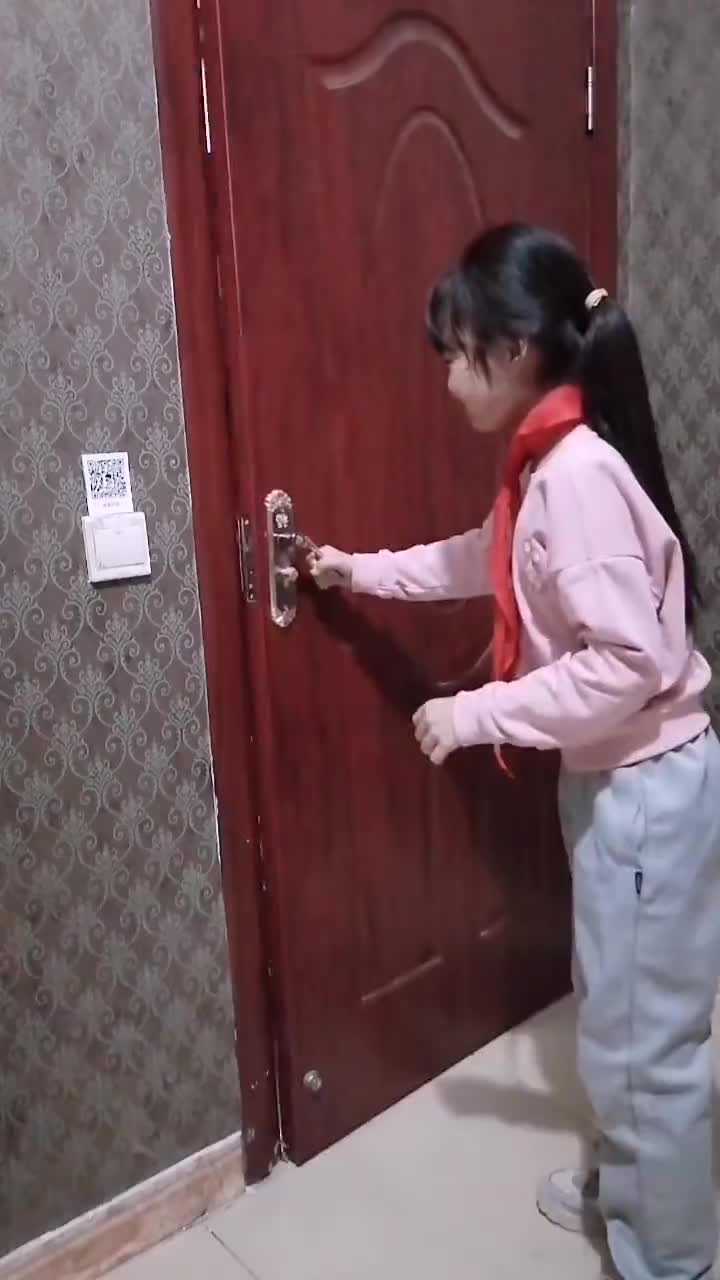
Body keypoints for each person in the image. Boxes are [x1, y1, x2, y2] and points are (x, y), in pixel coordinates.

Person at [307, 224, 720, 1280]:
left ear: (519, 348)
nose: (449, 379)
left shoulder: (574, 475)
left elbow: (630, 661)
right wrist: (359, 570)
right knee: (620, 1014)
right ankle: (632, 1186)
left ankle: (673, 1256)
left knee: (647, 1045)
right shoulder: (549, 461)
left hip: (644, 788)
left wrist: (476, 712)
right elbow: (483, 560)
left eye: (459, 353)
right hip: (622, 784)